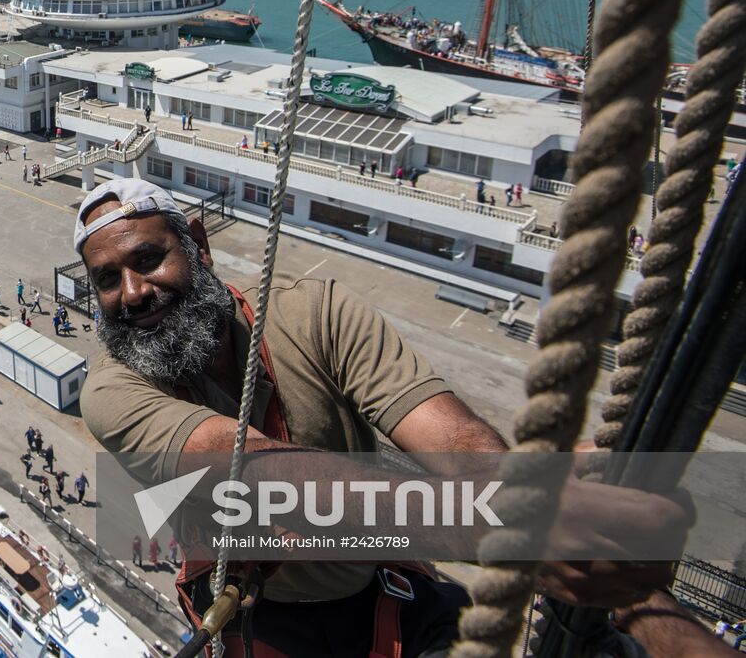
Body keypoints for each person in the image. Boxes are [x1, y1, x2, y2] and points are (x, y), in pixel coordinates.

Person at [73, 177, 691, 656]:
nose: (132, 293)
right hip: (267, 614)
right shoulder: (112, 388)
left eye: (148, 259)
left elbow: (448, 432)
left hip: (375, 580)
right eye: (107, 280)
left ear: (199, 248)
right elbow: (264, 473)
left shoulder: (314, 314)